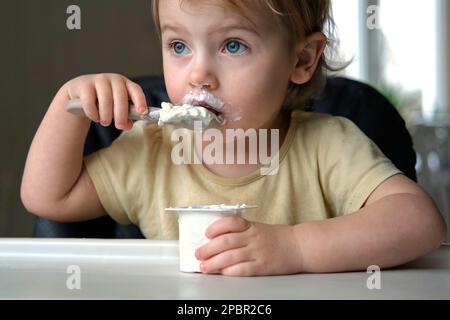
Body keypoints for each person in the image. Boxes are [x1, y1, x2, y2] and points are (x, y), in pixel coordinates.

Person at [21, 0, 446, 276]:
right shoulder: (150, 150)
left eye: (233, 46)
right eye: (179, 46)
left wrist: (295, 249)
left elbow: (419, 224)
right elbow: (49, 199)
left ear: (300, 60)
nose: (198, 74)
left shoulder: (330, 148)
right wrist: (68, 104)